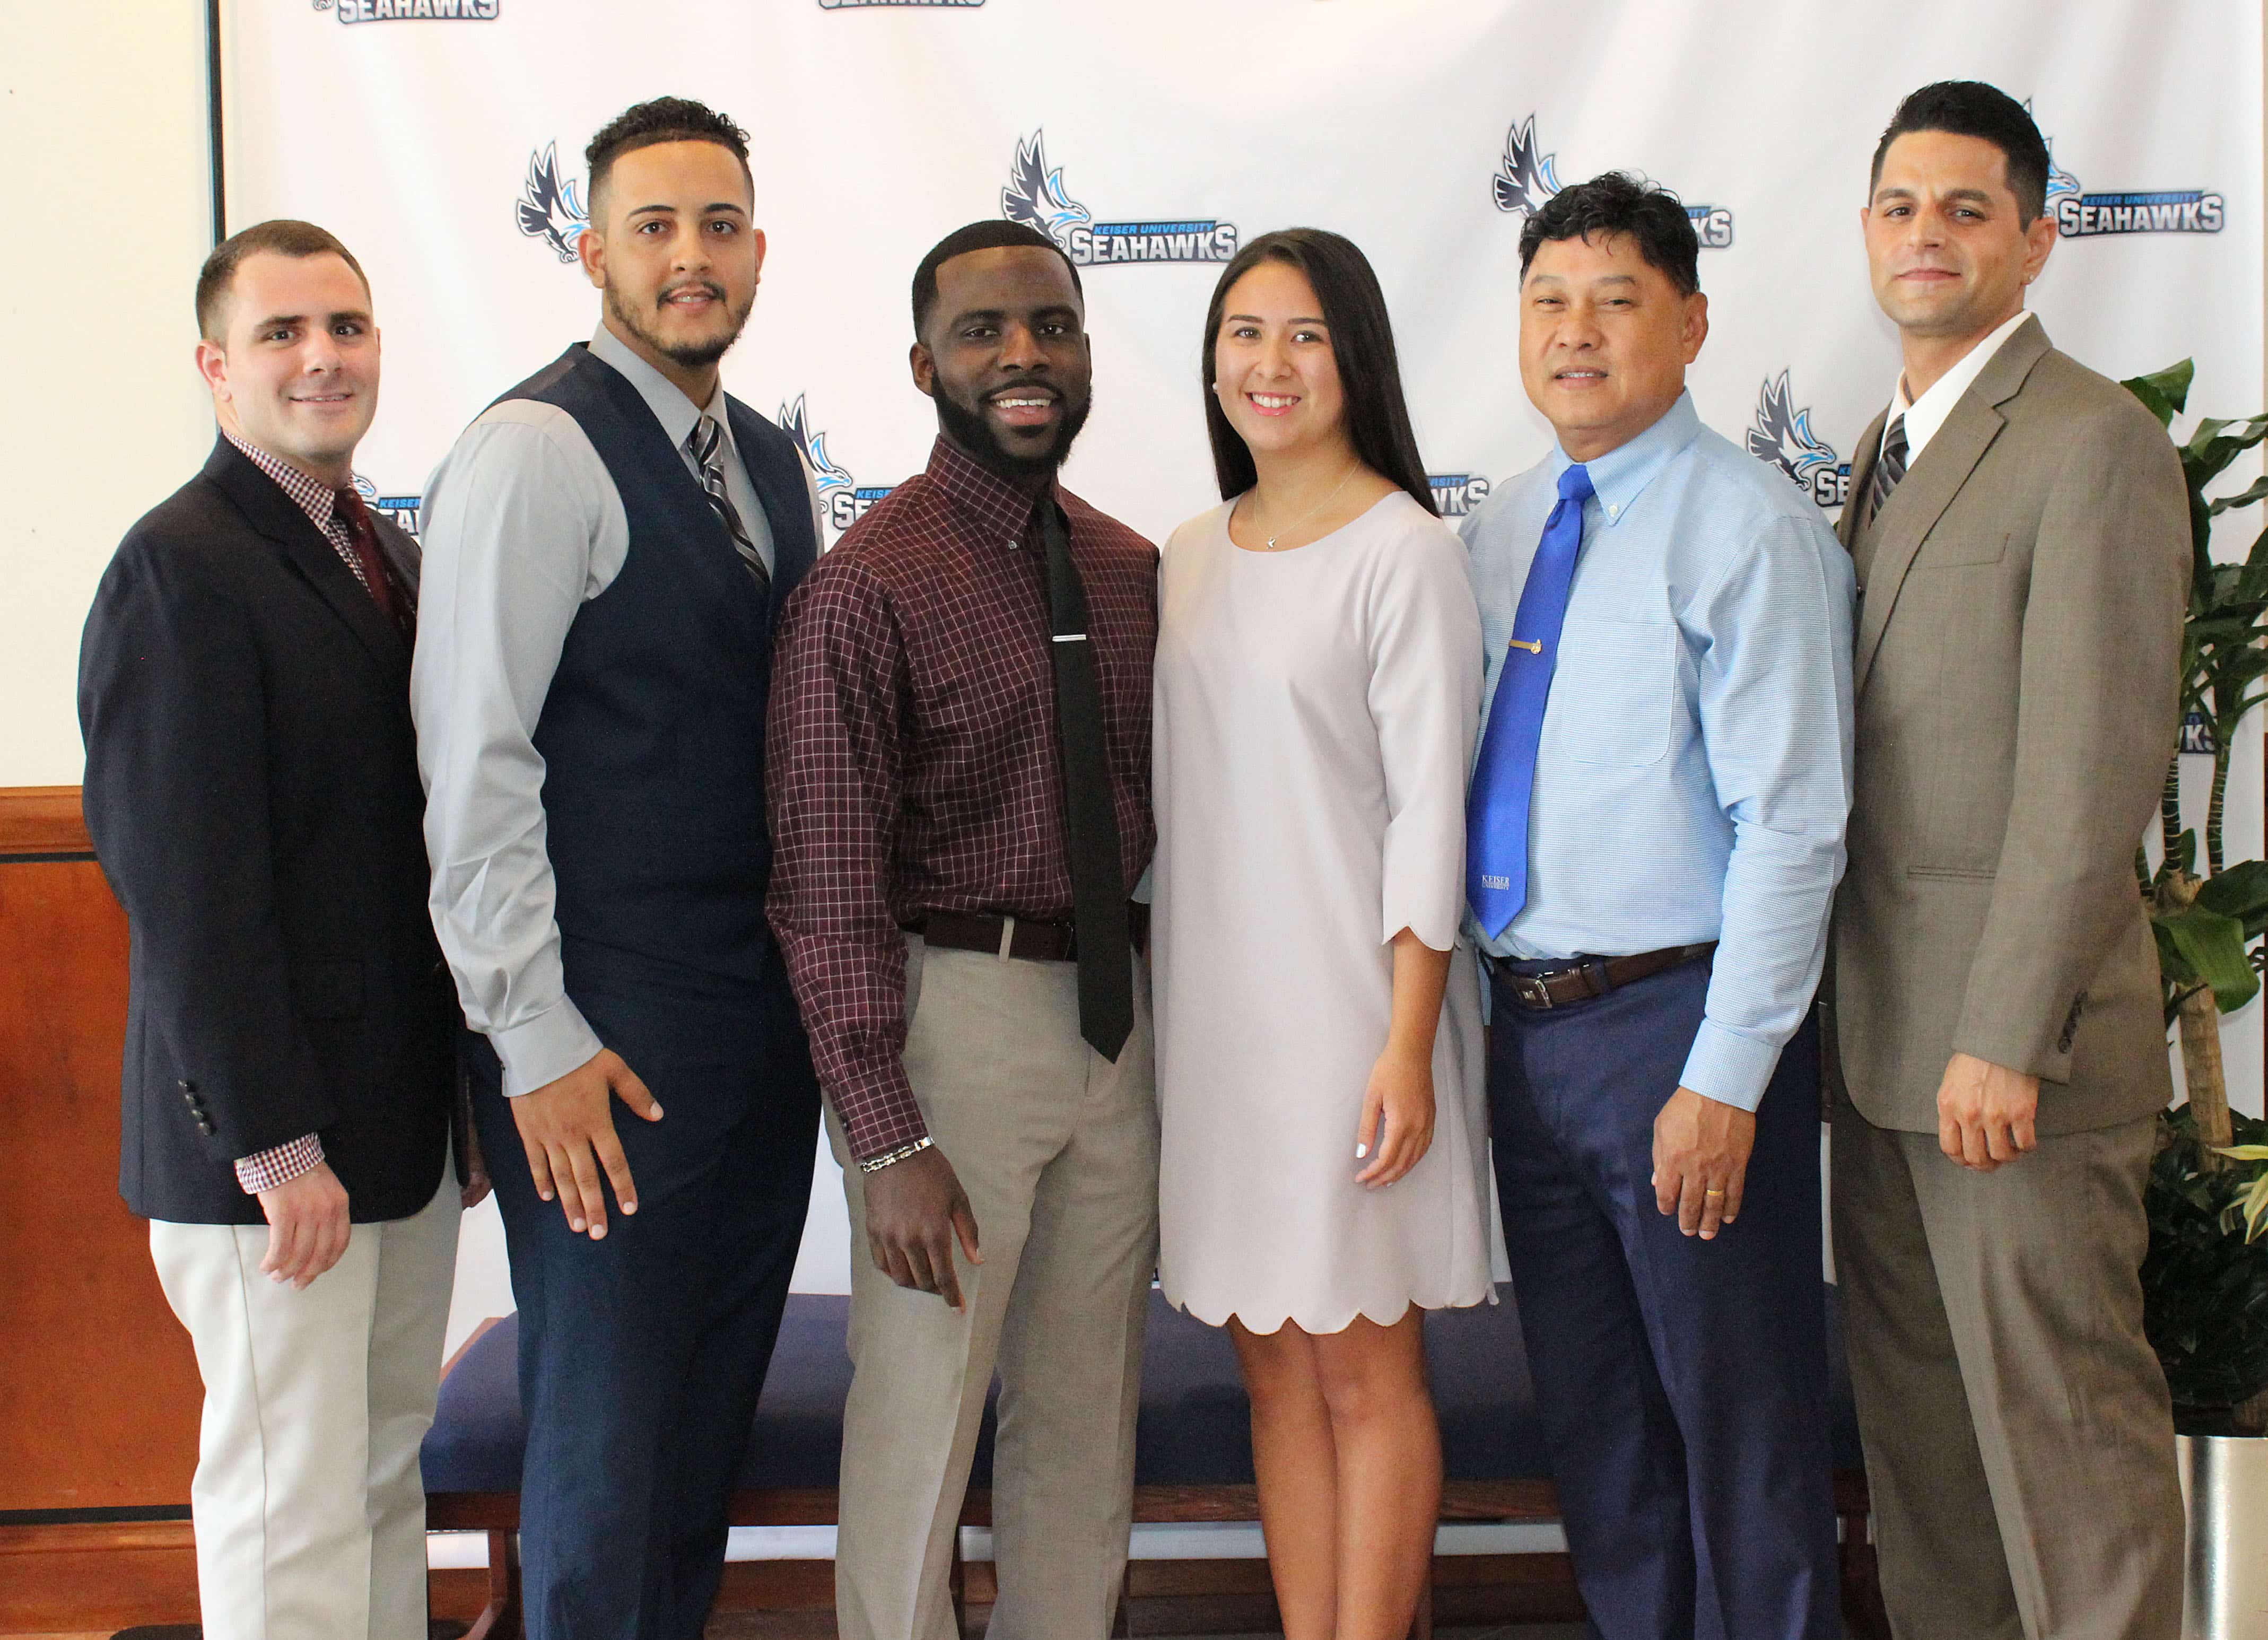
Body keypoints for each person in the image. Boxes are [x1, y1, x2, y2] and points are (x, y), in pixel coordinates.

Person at [412, 97, 823, 1636]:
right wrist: (533, 1042)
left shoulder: (772, 460)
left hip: (749, 1032)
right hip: (599, 1042)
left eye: (717, 225)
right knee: (600, 1457)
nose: (689, 256)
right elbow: (474, 767)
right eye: (652, 226)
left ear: (759, 249)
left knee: (694, 1443)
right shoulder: (535, 450)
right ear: (589, 250)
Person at [1461, 173, 1855, 1638]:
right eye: (1548, 302)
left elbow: (1793, 824)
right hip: (1530, 1033)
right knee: (1603, 1437)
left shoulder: (1745, 529)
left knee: (1741, 1436)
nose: (1576, 333)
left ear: (1688, 324)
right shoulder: (1500, 529)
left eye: (1615, 300)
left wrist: (1725, 1072)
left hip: (1677, 1034)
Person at [78, 219, 474, 1640]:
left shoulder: (389, 549)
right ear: (214, 367)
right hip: (268, 1152)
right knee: (282, 1497)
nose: (324, 358)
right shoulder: (181, 565)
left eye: (347, 328)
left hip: (395, 1133)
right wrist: (275, 1142)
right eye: (283, 333)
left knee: (373, 1480)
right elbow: (186, 891)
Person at [1829, 81, 2190, 1640]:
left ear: (2036, 241)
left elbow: (2087, 777)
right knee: (1929, 1474)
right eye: (1901, 205)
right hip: (1879, 1054)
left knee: (2066, 1460)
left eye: (1966, 209)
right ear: (1864, 232)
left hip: (2007, 1071)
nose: (1928, 235)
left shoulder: (2091, 442)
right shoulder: (1882, 445)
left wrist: (2000, 1031)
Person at [767, 218, 1158, 1640]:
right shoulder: (865, 587)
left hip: (1117, 1020)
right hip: (953, 1033)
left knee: (1083, 1417)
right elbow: (822, 888)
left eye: (1049, 326)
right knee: (921, 1419)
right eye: (985, 331)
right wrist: (884, 1135)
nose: (1022, 356)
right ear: (923, 362)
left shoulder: (1126, 571)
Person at [1149, 226, 1488, 1640]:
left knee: (1363, 1371)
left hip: (1357, 1023)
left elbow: (1429, 814)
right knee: (1273, 1373)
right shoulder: (1182, 554)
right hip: (1217, 1029)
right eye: (1243, 331)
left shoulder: (1404, 551)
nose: (1268, 363)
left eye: (1301, 333)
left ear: (1353, 358)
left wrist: (1407, 1044)